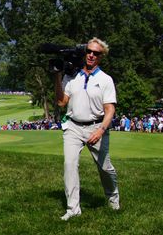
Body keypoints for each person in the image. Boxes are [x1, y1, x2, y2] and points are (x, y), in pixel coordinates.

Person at [54, 37, 120, 221]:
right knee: (69, 165)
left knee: (104, 167)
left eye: (96, 53)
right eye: (88, 51)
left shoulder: (105, 80)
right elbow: (61, 102)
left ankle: (113, 197)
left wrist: (100, 131)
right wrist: (57, 75)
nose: (91, 55)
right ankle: (73, 208)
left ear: (101, 56)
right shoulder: (72, 76)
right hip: (73, 126)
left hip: (97, 127)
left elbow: (110, 109)